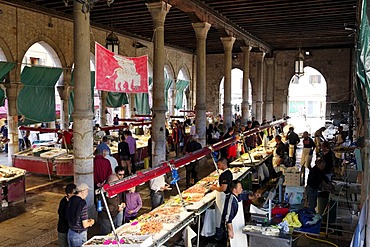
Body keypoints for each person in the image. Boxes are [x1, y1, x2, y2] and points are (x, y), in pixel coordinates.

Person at [221, 180, 261, 246]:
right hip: (234, 228)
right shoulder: (231, 200)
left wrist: (255, 196)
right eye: (240, 188)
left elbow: (247, 197)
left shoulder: (238, 195)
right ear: (234, 189)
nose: (242, 189)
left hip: (240, 226)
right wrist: (230, 231)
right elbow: (228, 218)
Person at [66, 183, 95, 247]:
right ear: (83, 191)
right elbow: (84, 224)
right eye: (87, 191)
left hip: (70, 232)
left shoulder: (71, 199)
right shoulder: (82, 203)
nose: (87, 193)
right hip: (79, 234)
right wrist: (91, 222)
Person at [210, 157, 233, 236]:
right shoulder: (229, 173)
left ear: (223, 164)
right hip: (224, 197)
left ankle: (220, 234)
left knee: (220, 217)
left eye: (219, 165)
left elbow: (223, 188)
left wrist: (214, 188)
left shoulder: (224, 175)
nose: (218, 166)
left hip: (223, 199)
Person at [57, 183, 76, 247]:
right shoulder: (64, 203)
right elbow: (64, 216)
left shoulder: (72, 201)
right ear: (69, 194)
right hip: (64, 230)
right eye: (74, 193)